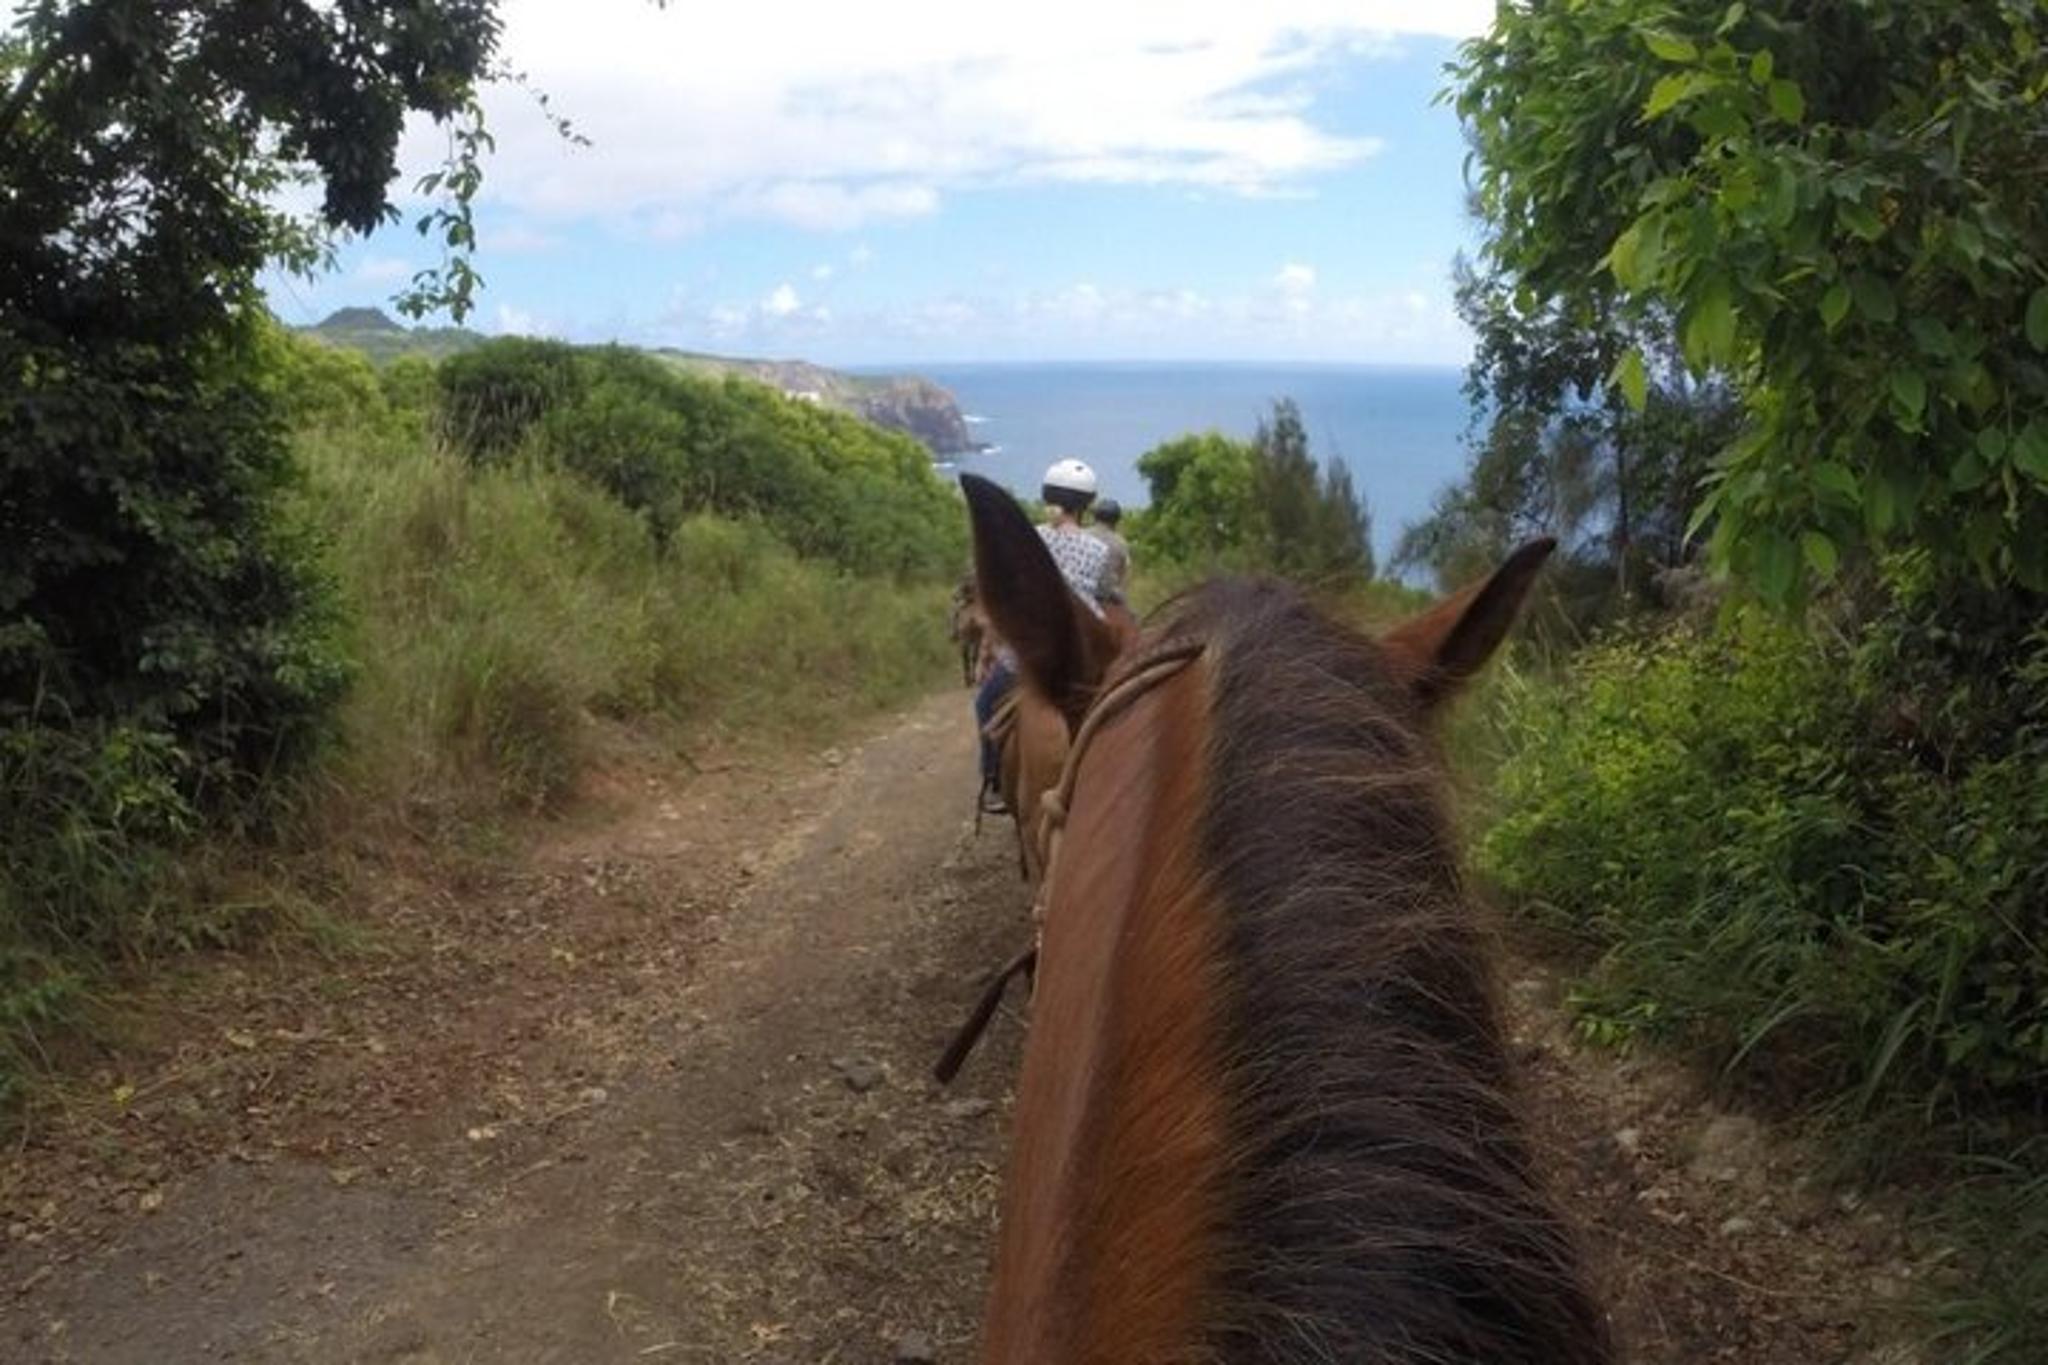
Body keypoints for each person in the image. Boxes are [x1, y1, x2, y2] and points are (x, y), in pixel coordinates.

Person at [974, 459, 1111, 810]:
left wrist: (988, 650)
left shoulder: (1033, 537)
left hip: (1034, 643)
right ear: (1086, 504)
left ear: (1049, 495)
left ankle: (992, 780)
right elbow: (1103, 595)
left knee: (986, 702)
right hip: (1084, 648)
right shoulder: (1099, 549)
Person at [1089, 498, 1131, 605]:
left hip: (1079, 590)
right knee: (1132, 617)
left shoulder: (1082, 534)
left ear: (1096, 516)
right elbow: (1123, 573)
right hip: (1106, 595)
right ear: (1116, 519)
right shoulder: (1121, 542)